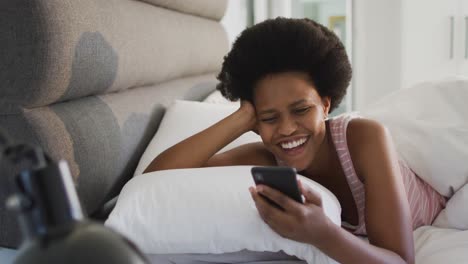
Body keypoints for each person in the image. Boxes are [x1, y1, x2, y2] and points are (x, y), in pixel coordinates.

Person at [144, 17, 446, 264]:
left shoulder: (365, 138)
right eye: (270, 117)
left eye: (301, 110)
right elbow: (156, 180)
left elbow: (401, 261)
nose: (287, 129)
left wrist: (324, 234)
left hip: (440, 203)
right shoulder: (264, 158)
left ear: (326, 105)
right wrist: (241, 118)